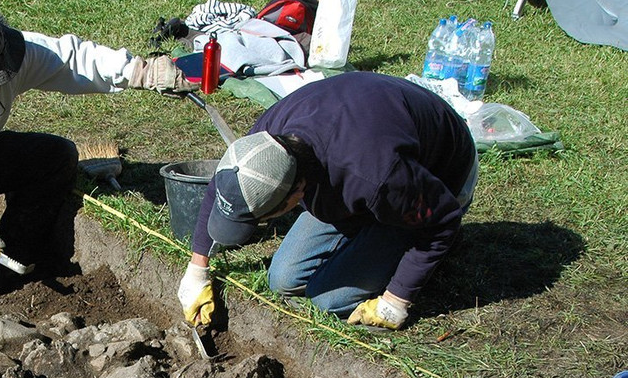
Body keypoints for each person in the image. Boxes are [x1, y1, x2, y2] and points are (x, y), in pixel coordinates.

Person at [0, 3, 195, 296]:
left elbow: (70, 59)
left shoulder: (9, 55)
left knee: (58, 157)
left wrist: (140, 72)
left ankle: (13, 247)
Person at [177, 71, 479, 330]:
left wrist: (395, 301)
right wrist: (197, 269)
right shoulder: (265, 144)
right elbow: (227, 181)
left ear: (295, 196)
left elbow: (444, 219)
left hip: (440, 178)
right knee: (282, 280)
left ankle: (404, 239)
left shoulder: (376, 176)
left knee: (329, 300)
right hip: (369, 150)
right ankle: (371, 226)